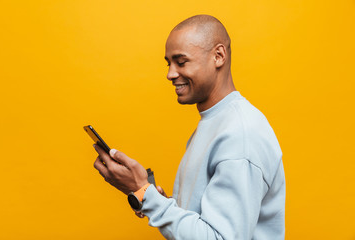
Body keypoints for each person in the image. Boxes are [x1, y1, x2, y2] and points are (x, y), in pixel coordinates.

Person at [93, 15, 285, 240]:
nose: (170, 74)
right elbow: (203, 219)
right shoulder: (215, 123)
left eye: (181, 62)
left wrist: (144, 194)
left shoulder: (240, 134)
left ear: (218, 56)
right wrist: (153, 197)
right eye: (169, 63)